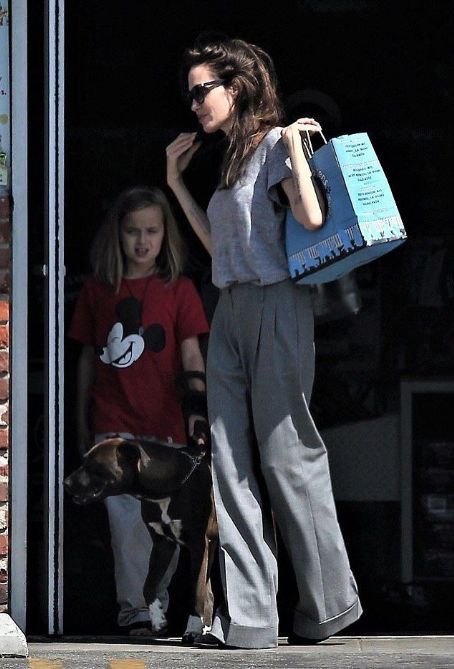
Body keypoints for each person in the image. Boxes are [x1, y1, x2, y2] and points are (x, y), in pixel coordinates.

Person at [165, 33, 362, 649]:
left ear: (238, 85)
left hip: (278, 306)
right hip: (231, 308)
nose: (195, 104)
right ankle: (251, 620)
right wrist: (175, 185)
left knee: (286, 455)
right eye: (190, 94)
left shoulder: (276, 143)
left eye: (204, 91)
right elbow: (218, 247)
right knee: (229, 460)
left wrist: (297, 148)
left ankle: (330, 604)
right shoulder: (227, 162)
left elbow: (309, 219)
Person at [68, 185, 210, 636]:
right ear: (118, 235)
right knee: (126, 527)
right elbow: (88, 360)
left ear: (165, 234)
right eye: (132, 231)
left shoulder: (180, 290)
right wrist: (80, 421)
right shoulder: (97, 291)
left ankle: (154, 606)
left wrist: (197, 411)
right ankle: (136, 613)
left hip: (165, 432)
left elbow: (191, 355)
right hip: (113, 428)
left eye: (151, 231)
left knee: (165, 528)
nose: (142, 241)